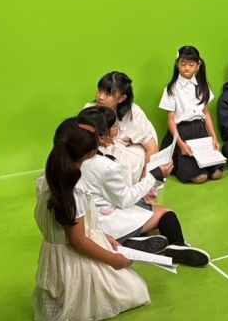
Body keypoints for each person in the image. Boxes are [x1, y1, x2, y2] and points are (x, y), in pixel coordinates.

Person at [32, 117, 150, 321]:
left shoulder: (49, 177)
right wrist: (113, 260)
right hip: (74, 260)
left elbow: (68, 228)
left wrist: (103, 236)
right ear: (91, 153)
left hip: (56, 259)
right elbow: (77, 241)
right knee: (137, 291)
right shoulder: (74, 189)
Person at [76, 106, 211, 267]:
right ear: (102, 137)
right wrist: (155, 176)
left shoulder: (75, 155)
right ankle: (177, 245)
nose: (118, 128)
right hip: (105, 222)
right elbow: (124, 199)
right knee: (166, 213)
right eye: (114, 126)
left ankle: (133, 240)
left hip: (83, 220)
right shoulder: (106, 166)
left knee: (141, 207)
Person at [158, 46, 224, 184]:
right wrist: (181, 144)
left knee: (217, 174)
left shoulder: (203, 86)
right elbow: (171, 120)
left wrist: (214, 137)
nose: (186, 68)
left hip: (200, 132)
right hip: (181, 133)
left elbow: (206, 114)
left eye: (191, 64)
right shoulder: (171, 89)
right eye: (183, 64)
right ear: (177, 64)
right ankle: (176, 163)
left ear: (198, 65)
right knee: (200, 178)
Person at [94, 71, 158, 187]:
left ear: (122, 98)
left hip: (129, 154)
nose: (101, 97)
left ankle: (123, 192)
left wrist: (146, 183)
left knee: (120, 160)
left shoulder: (135, 116)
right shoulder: (91, 110)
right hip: (107, 150)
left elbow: (152, 148)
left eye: (108, 94)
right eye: (99, 90)